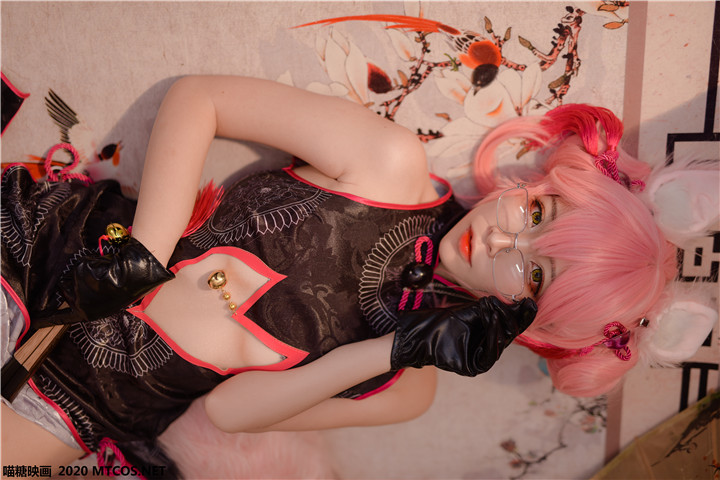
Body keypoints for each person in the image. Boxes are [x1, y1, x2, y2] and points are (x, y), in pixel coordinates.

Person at [0, 76, 686, 475]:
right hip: (51, 250)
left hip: (85, 403)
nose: (502, 236)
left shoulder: (406, 386)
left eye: (532, 272)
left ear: (529, 319)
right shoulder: (390, 167)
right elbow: (199, 98)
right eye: (537, 212)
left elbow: (226, 413)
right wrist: (145, 249)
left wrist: (395, 349)